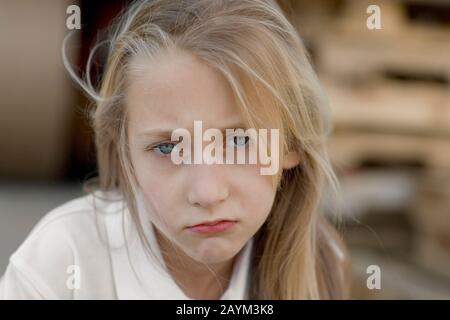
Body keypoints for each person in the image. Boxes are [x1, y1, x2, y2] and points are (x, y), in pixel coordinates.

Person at [0, 0, 350, 299]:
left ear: (291, 142)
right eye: (168, 147)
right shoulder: (63, 262)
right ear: (125, 154)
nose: (207, 192)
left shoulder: (319, 266)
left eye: (242, 140)